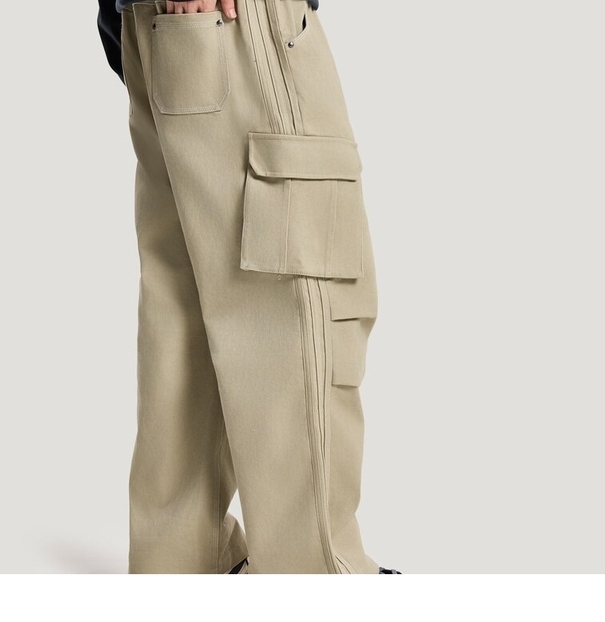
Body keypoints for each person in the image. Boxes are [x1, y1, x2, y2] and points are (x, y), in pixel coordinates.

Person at [96, 0, 401, 574]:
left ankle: (182, 568)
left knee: (189, 302)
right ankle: (315, 573)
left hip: (158, 20)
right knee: (300, 289)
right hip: (238, 16)